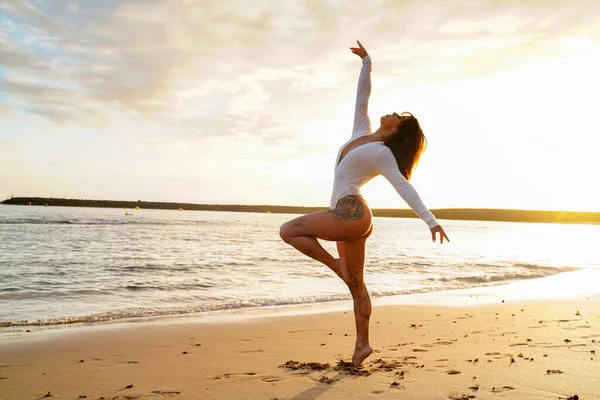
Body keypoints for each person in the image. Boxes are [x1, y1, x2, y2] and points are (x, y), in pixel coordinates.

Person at [279, 41, 450, 368]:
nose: (393, 112)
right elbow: (363, 97)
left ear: (397, 129)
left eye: (399, 116)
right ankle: (362, 347)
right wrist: (367, 62)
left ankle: (335, 268)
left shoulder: (383, 154)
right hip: (356, 218)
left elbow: (403, 186)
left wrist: (430, 220)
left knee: (289, 230)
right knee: (356, 284)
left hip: (350, 211)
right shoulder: (363, 132)